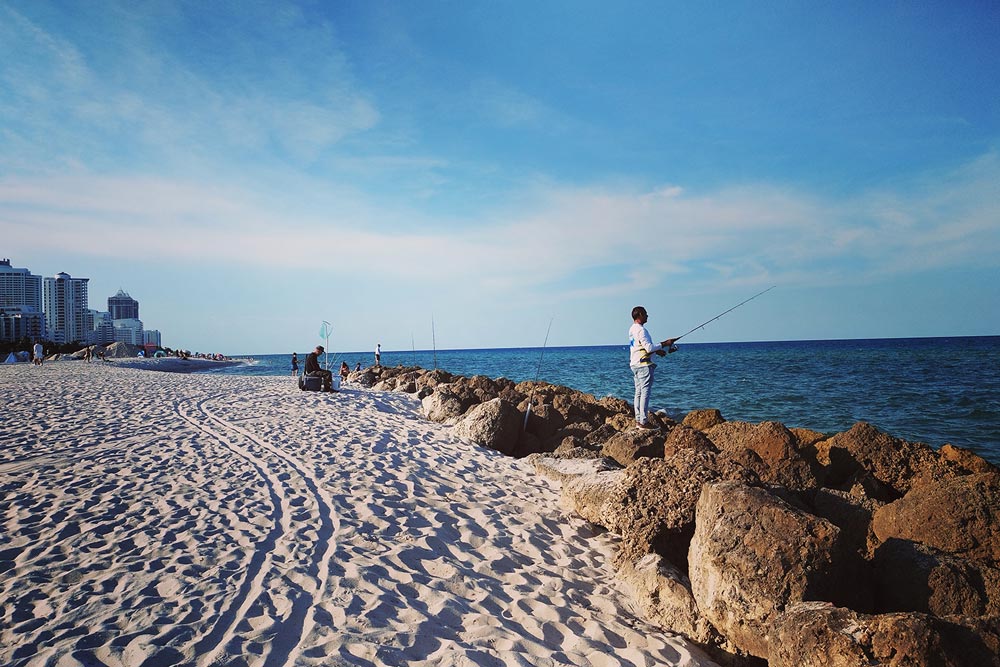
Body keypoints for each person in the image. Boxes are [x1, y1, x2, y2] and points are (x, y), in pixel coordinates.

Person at [628, 306, 677, 429]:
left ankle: (638, 420)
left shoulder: (632, 329)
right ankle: (643, 422)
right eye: (645, 314)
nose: (647, 316)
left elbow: (641, 347)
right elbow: (648, 348)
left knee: (638, 393)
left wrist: (658, 351)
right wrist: (665, 343)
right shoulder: (641, 330)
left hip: (635, 363)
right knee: (644, 393)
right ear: (639, 315)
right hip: (644, 365)